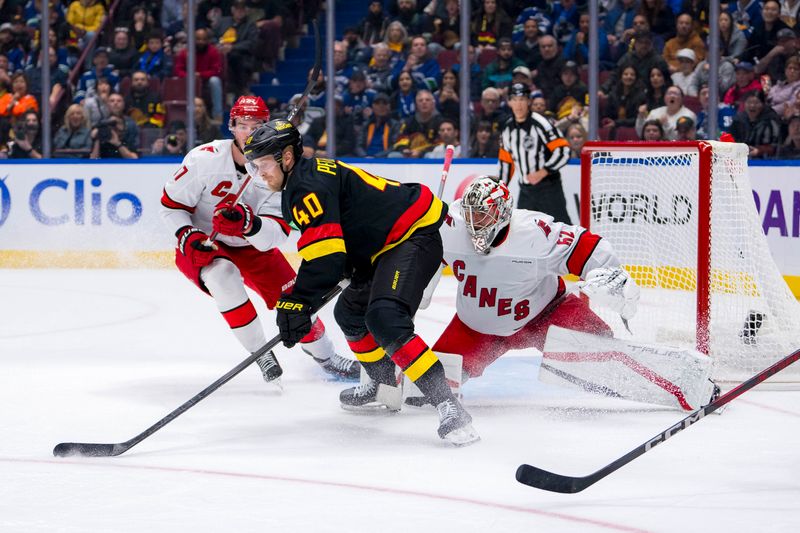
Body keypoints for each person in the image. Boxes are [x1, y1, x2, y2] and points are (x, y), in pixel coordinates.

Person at [241, 119, 479, 446]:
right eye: (253, 166)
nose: (259, 173)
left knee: (385, 319)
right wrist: (304, 299)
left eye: (263, 164)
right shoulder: (301, 179)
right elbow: (337, 245)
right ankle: (383, 385)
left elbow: (326, 259)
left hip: (410, 237)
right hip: (382, 245)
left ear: (286, 157)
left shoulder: (306, 186)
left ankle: (448, 404)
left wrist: (298, 301)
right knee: (350, 313)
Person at [422, 176, 718, 412]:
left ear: (501, 214)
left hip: (545, 316)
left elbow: (585, 246)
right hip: (477, 329)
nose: (475, 224)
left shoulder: (534, 232)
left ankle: (686, 383)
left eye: (483, 216)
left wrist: (608, 274)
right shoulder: (447, 228)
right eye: (471, 215)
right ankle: (376, 374)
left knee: (602, 354)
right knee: (424, 386)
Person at [159, 96, 359, 385]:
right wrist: (187, 235)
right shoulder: (204, 159)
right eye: (243, 124)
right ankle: (260, 353)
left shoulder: (282, 172)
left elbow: (273, 237)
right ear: (231, 126)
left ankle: (327, 357)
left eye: (258, 124)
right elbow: (171, 205)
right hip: (205, 245)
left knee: (294, 301)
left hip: (252, 247)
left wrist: (248, 223)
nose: (250, 131)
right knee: (222, 275)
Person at [498, 83, 571, 223]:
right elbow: (506, 163)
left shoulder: (540, 123)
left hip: (549, 189)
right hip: (525, 191)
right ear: (509, 102)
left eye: (522, 99)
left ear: (529, 101)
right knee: (521, 230)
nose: (518, 104)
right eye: (515, 99)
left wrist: (543, 171)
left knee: (562, 229)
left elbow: (563, 150)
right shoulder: (507, 129)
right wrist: (500, 189)